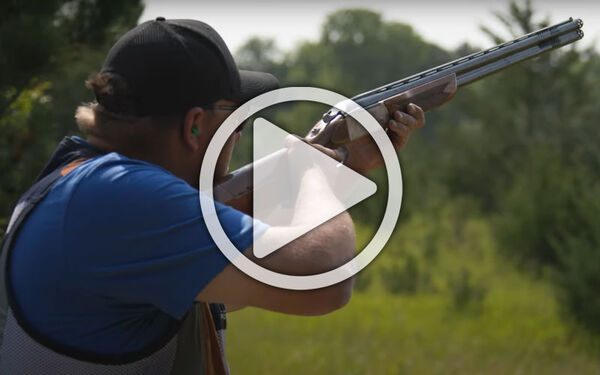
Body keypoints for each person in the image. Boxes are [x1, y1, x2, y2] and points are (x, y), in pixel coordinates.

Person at [0, 17, 424, 374]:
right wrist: (315, 169)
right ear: (195, 126)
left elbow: (234, 284)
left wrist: (346, 161)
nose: (240, 134)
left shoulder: (84, 187)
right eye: (236, 118)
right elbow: (323, 282)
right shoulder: (119, 198)